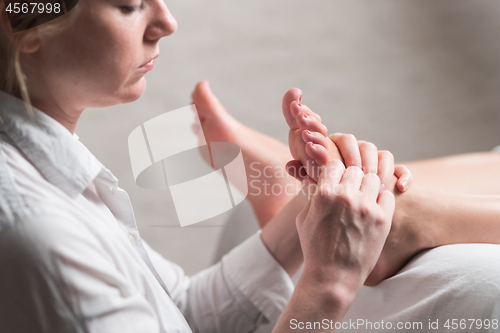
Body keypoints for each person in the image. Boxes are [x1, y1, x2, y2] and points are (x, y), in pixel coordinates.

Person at [0, 1, 413, 332]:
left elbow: (179, 311)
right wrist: (330, 282)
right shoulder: (36, 231)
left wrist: (312, 202)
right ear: (25, 18)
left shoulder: (44, 168)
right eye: (129, 5)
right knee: (417, 206)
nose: (166, 20)